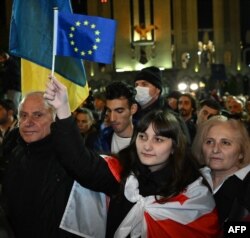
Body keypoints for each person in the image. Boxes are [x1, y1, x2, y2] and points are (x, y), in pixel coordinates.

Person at [44, 77, 219, 238]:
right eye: (143, 137)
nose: (147, 146)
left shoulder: (194, 191)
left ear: (174, 146)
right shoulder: (124, 173)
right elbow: (80, 163)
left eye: (158, 139)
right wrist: (63, 108)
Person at [2, 91, 82, 238]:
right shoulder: (13, 154)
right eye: (24, 115)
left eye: (37, 115)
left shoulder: (69, 159)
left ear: (54, 118)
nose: (28, 122)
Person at [192, 115, 250, 228]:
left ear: (241, 152)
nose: (215, 149)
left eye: (225, 143)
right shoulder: (191, 178)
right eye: (209, 142)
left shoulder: (247, 186)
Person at [101, 81, 138, 153]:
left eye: (119, 111)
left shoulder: (147, 141)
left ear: (133, 109)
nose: (112, 118)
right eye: (109, 111)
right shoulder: (100, 139)